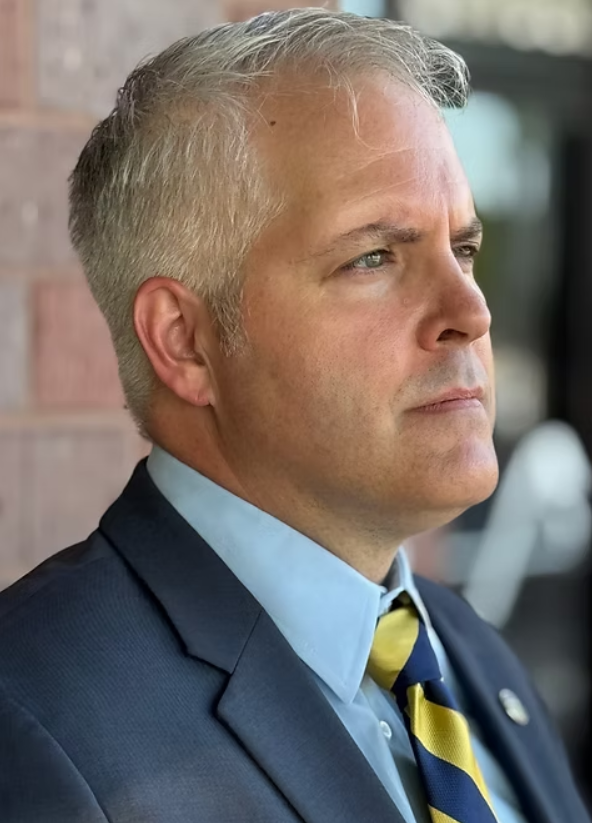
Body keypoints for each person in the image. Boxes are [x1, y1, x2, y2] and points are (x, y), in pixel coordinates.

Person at [0, 8, 588, 823]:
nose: (471, 311)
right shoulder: (34, 723)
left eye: (462, 249)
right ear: (187, 342)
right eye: (374, 256)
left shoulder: (467, 652)